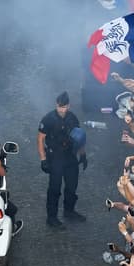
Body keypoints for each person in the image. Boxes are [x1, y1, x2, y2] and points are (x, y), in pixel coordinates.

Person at [36, 92, 84, 228]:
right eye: (59, 107)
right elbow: (40, 139)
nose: (61, 110)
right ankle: (51, 217)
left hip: (70, 156)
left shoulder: (72, 118)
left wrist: (82, 154)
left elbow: (79, 137)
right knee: (54, 188)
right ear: (56, 104)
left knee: (72, 186)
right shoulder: (48, 119)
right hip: (55, 157)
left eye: (64, 107)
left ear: (69, 106)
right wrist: (43, 159)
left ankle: (69, 211)